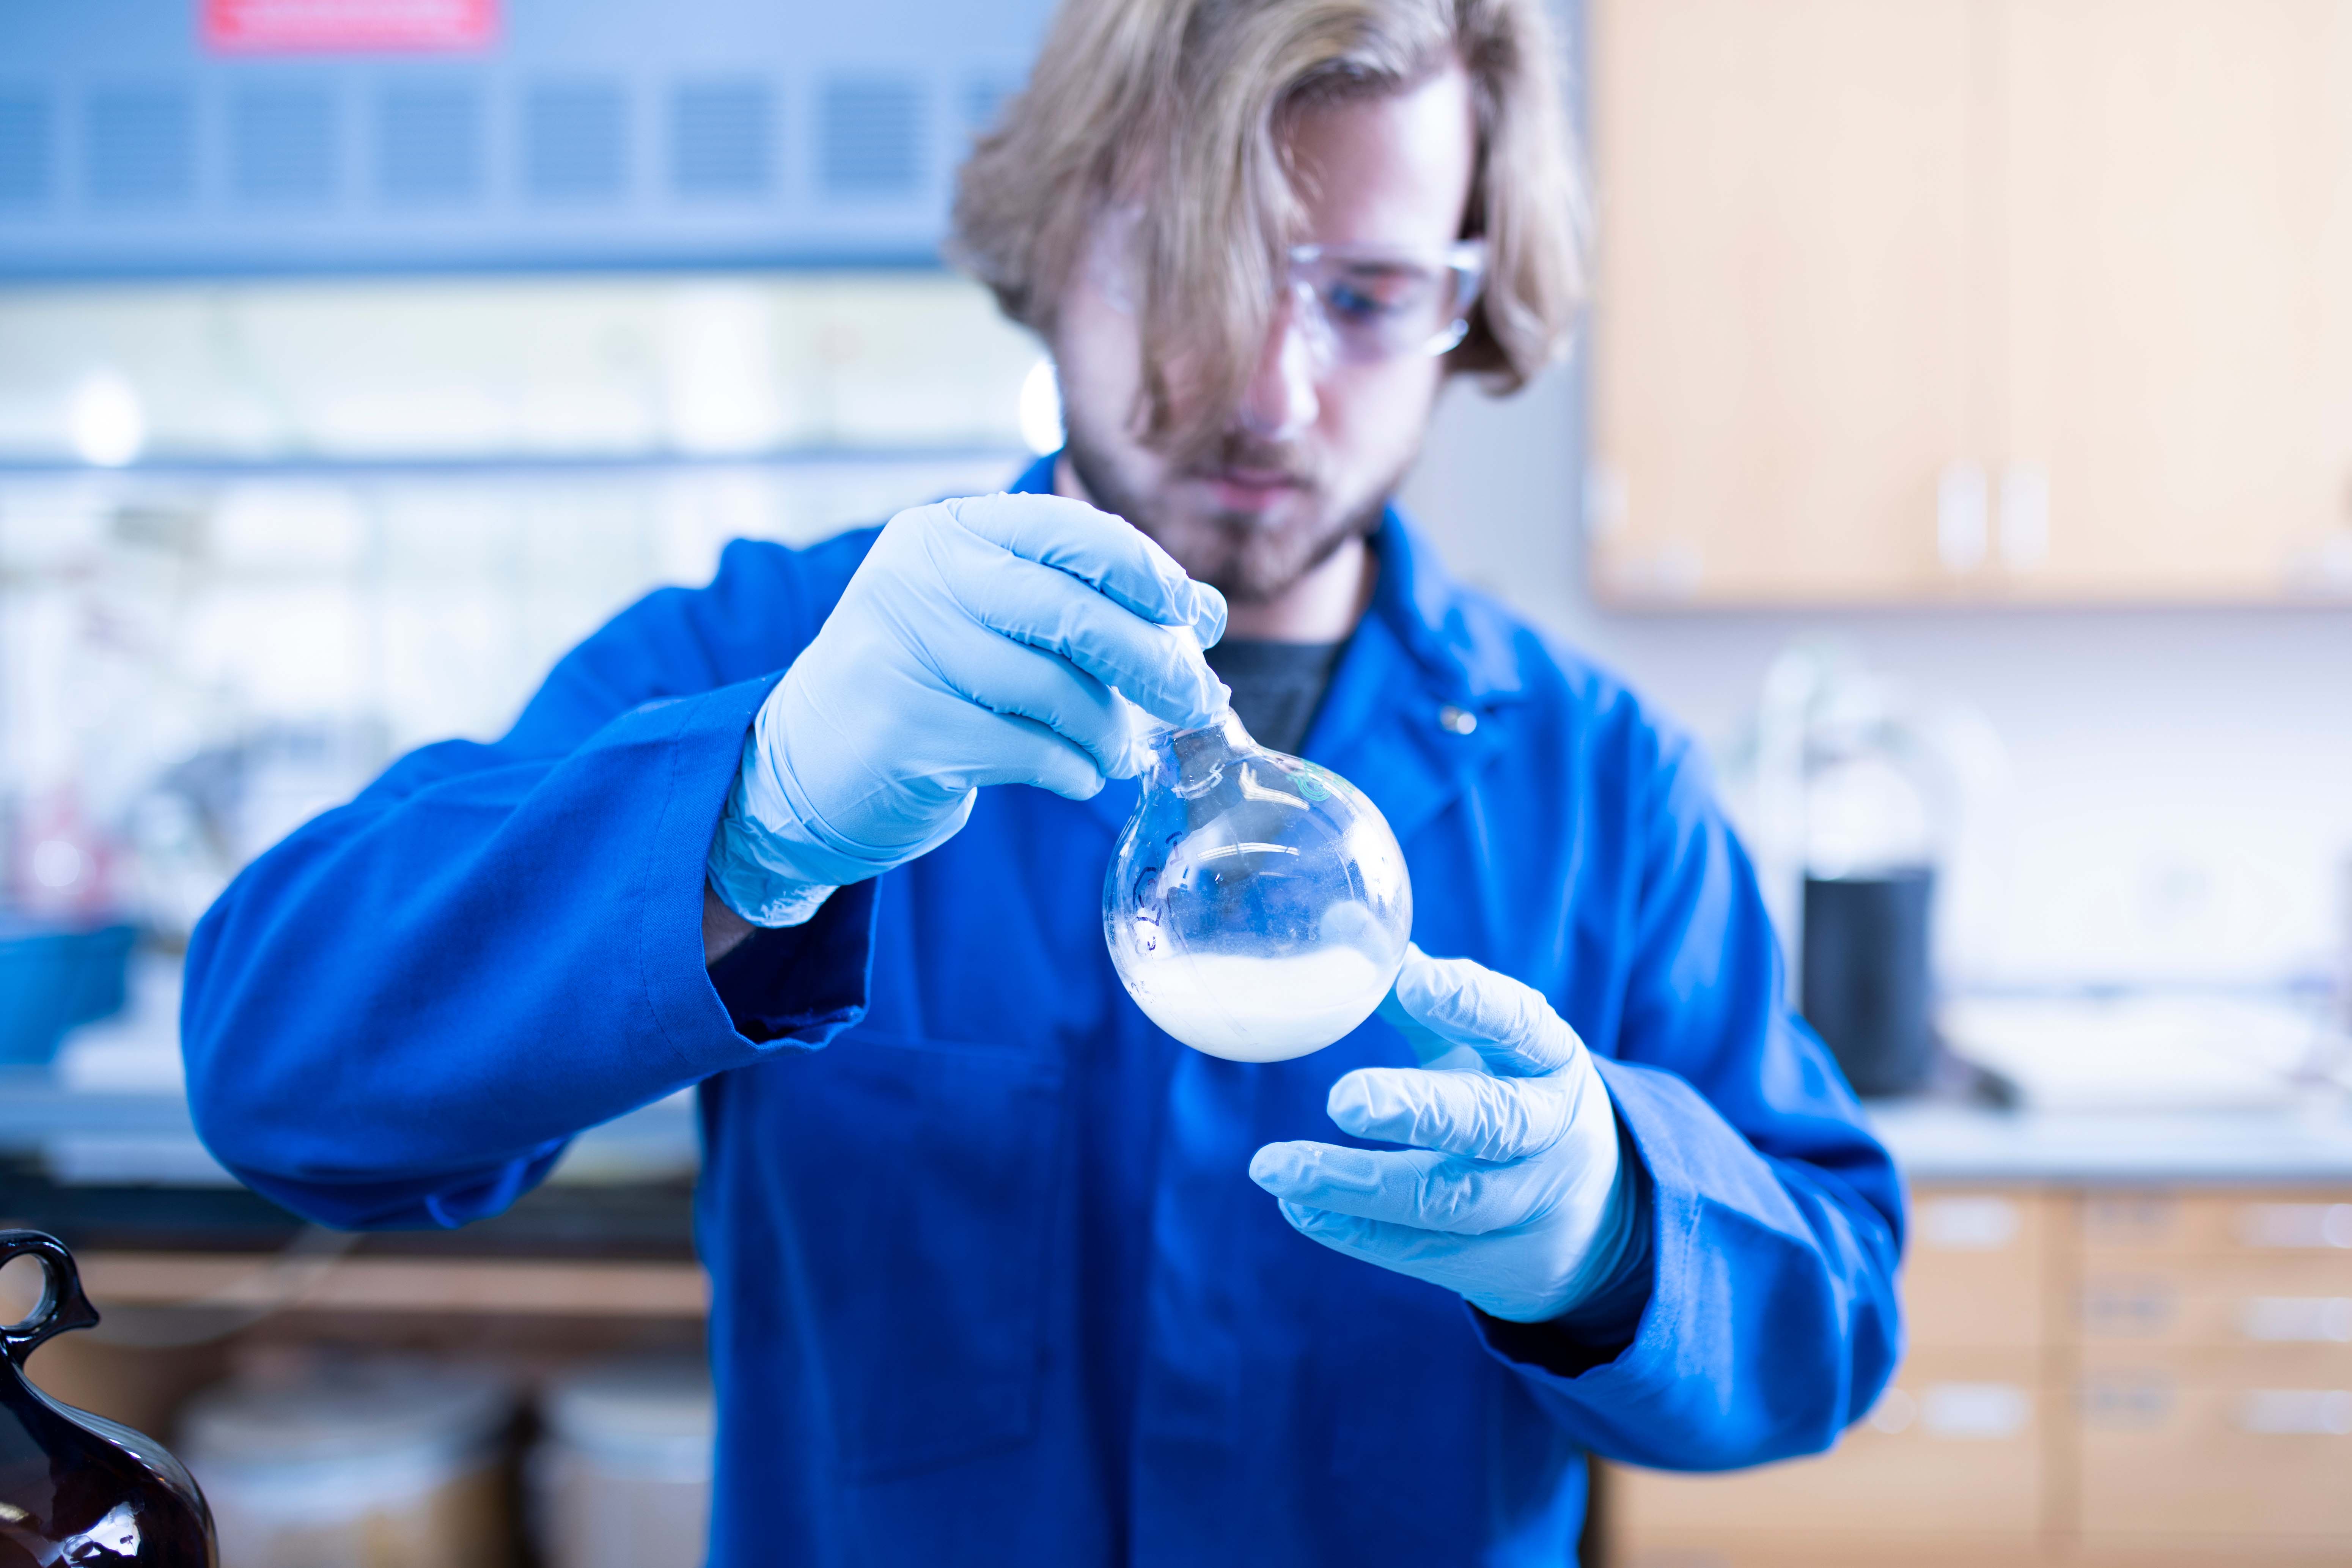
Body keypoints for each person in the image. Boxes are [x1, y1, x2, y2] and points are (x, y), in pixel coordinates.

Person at [182, 0, 1903, 1562]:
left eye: (1366, 296)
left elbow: (1829, 1306)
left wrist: (1606, 1223)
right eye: (1190, 268)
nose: (1268, 387)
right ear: (1052, 235)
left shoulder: (1599, 780)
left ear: (1464, 302)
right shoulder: (783, 650)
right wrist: (747, 813)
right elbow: (274, 1067)